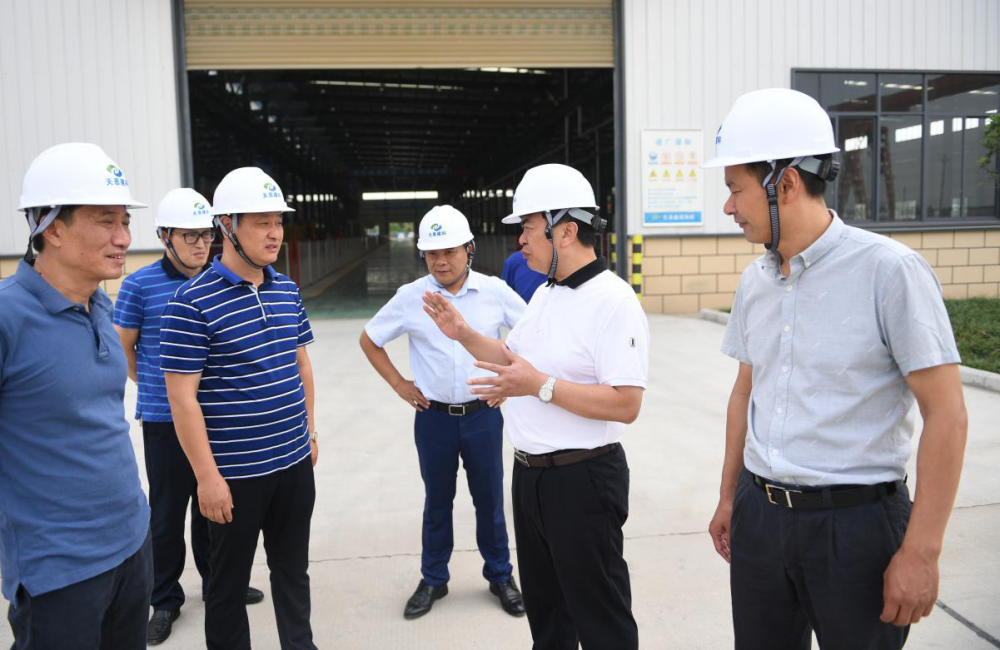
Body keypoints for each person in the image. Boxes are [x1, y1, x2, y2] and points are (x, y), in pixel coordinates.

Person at [703, 88, 968, 650]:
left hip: (856, 530)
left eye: (735, 189)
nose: (728, 207)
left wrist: (921, 551)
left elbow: (947, 414)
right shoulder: (755, 281)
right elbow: (744, 391)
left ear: (785, 184)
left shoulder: (890, 272)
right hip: (760, 516)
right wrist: (729, 497)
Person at [422, 164, 649, 649]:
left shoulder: (613, 300)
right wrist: (463, 334)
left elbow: (626, 403)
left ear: (565, 230)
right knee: (547, 620)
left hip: (583, 481)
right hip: (531, 477)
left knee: (602, 621)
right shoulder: (547, 293)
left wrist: (538, 385)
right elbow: (513, 359)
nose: (521, 240)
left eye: (527, 227)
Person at [0, 142, 152, 648]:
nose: (123, 237)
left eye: (125, 221)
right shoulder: (8, 318)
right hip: (59, 572)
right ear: (52, 228)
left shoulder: (100, 307)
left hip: (132, 544)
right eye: (105, 221)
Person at [160, 167, 319, 650]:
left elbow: (302, 366)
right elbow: (181, 398)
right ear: (227, 226)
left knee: (293, 571)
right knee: (227, 587)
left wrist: (310, 432)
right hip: (235, 475)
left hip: (293, 464)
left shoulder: (286, 289)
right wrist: (207, 477)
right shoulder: (191, 303)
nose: (275, 233)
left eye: (278, 222)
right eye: (262, 222)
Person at [360, 205, 528, 620]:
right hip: (433, 418)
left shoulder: (493, 292)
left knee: (489, 500)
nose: (440, 261)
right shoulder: (410, 297)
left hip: (482, 416)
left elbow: (530, 338)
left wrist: (510, 382)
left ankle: (501, 576)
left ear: (469, 249)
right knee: (437, 501)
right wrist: (399, 384)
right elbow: (370, 340)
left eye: (450, 251)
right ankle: (434, 578)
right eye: (432, 253)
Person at [112, 188, 265, 645]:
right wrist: (154, 387)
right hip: (165, 420)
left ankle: (219, 585)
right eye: (189, 236)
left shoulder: (223, 281)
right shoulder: (140, 285)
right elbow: (124, 347)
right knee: (166, 514)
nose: (201, 245)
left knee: (214, 508)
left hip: (213, 419)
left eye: (206, 235)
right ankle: (165, 599)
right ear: (164, 237)